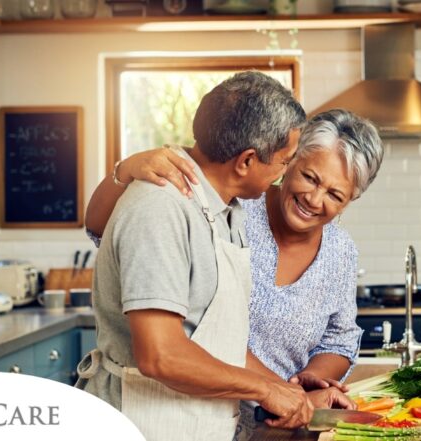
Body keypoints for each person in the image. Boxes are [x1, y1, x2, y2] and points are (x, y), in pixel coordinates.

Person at [77, 71, 324, 441]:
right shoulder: (161, 207)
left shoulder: (226, 209)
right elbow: (161, 356)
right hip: (142, 426)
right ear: (246, 161)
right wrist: (266, 391)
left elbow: (217, 344)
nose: (284, 174)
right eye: (284, 162)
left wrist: (296, 396)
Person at [85, 109, 384, 394]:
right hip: (190, 407)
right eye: (310, 177)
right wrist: (124, 171)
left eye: (334, 195)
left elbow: (339, 338)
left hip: (279, 420)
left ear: (349, 202)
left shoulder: (340, 251)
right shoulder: (233, 205)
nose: (314, 199)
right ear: (289, 161)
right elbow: (102, 229)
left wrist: (306, 384)